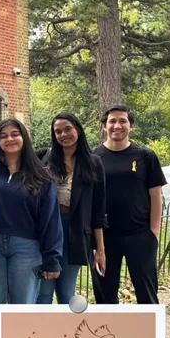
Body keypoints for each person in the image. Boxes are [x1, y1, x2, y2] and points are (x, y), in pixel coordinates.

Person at [0, 118, 63, 338]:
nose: (9, 139)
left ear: (24, 138)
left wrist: (52, 258)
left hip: (27, 248)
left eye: (15, 134)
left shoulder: (41, 175)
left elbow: (51, 220)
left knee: (22, 307)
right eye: (3, 135)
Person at [91, 105, 170, 338]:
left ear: (130, 126)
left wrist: (153, 233)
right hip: (104, 239)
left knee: (147, 298)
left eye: (122, 121)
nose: (117, 126)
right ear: (104, 125)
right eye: (112, 121)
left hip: (139, 237)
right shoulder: (93, 156)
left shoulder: (145, 155)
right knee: (105, 298)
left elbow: (155, 196)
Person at [36, 113, 106, 305]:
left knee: (66, 291)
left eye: (67, 129)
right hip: (47, 229)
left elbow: (98, 210)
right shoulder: (43, 158)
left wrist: (99, 249)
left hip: (74, 232)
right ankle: (39, 334)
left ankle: (64, 334)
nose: (63, 134)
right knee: (43, 292)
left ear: (77, 130)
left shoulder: (93, 163)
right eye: (57, 131)